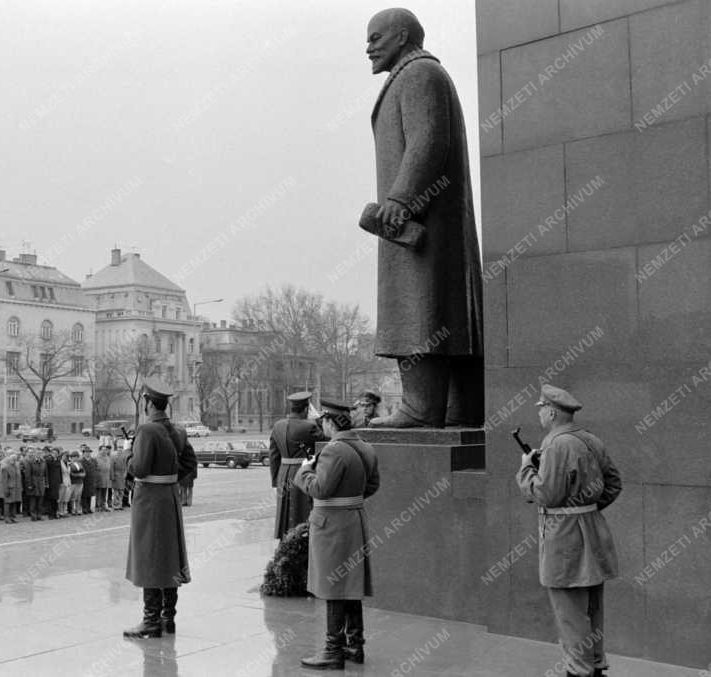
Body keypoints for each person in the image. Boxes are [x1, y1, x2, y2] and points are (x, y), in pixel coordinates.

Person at [364, 8, 483, 429]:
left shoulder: (418, 75)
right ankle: (454, 408)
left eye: (377, 37)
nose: (369, 47)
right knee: (438, 309)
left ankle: (420, 407)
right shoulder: (419, 75)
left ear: (402, 36)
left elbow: (427, 140)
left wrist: (401, 198)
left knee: (419, 308)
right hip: (431, 221)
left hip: (419, 224)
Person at [517, 385, 621, 677]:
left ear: (551, 411)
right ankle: (596, 666)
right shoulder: (590, 439)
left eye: (540, 408)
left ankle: (579, 671)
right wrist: (584, 509)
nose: (539, 413)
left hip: (565, 540)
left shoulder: (556, 444)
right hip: (594, 535)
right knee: (592, 611)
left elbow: (547, 494)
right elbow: (614, 484)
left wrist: (527, 469)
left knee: (571, 615)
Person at [293, 399, 380, 669]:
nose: (324, 428)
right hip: (354, 519)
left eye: (324, 423)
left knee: (333, 587)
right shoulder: (365, 446)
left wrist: (305, 468)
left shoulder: (333, 451)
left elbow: (319, 489)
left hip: (332, 526)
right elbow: (373, 485)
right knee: (350, 586)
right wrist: (351, 499)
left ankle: (333, 650)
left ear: (331, 422)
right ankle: (355, 645)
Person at [123, 380, 197, 640]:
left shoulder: (147, 430)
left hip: (150, 500)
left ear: (149, 403)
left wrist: (128, 454)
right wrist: (170, 477)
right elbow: (190, 461)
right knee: (169, 557)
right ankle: (168, 619)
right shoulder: (176, 430)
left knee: (150, 558)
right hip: (169, 497)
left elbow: (140, 469)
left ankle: (150, 621)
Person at [269, 391, 325, 539]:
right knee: (301, 511)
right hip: (301, 473)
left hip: (283, 473)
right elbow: (326, 439)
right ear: (306, 409)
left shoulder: (278, 426)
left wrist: (275, 480)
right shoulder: (308, 427)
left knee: (286, 513)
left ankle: (285, 541)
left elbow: (273, 456)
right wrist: (318, 420)